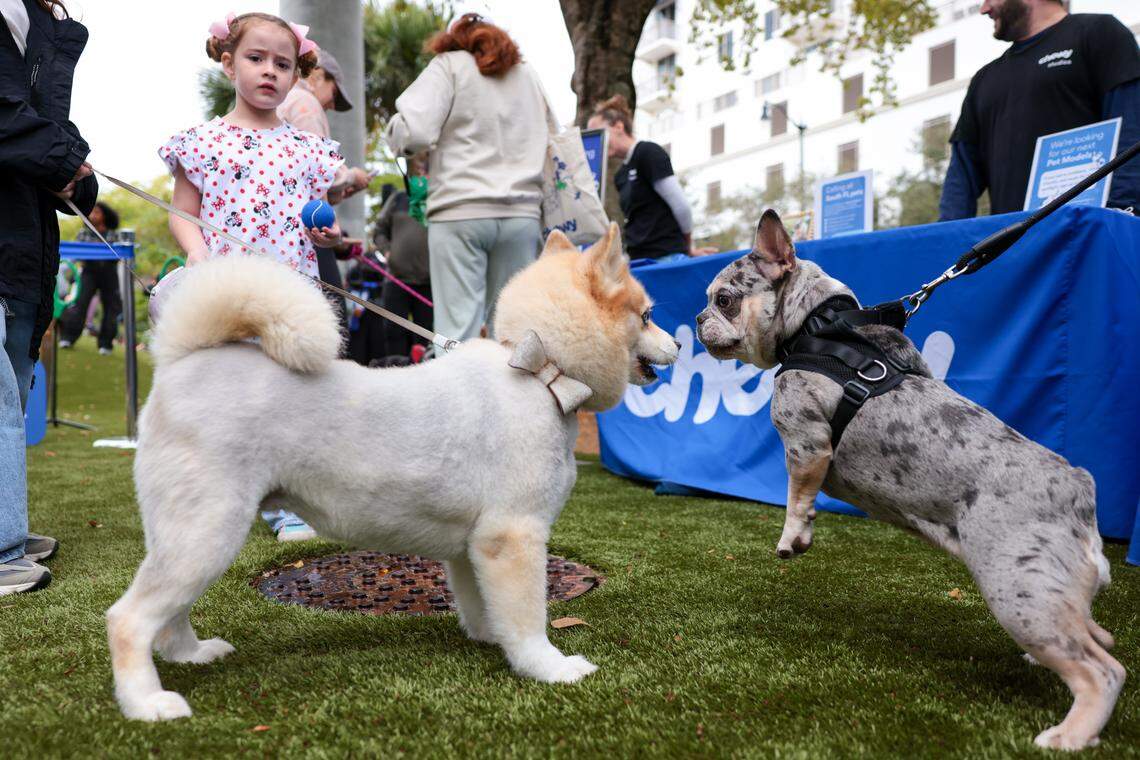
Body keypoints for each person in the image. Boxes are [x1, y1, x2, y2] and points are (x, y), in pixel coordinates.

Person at [160, 12, 347, 543]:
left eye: (283, 64)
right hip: (226, 293)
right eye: (256, 58)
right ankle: (215, 496)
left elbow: (319, 214)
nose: (269, 71)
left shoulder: (308, 149)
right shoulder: (201, 142)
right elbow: (182, 212)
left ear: (296, 76)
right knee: (224, 392)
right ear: (227, 63)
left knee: (292, 393)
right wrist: (196, 253)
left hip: (293, 294)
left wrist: (328, 234)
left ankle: (290, 501)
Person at [1, 0, 97, 594]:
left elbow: (39, 118)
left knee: (14, 376)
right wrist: (63, 159)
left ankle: (5, 521)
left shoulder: (35, 17)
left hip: (18, 234)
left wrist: (75, 172)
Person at [385, 13, 547, 342]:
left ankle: (461, 394)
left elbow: (415, 131)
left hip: (461, 211)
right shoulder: (528, 75)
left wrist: (395, 135)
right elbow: (551, 138)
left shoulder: (450, 65)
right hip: (521, 215)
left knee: (458, 332)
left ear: (457, 40)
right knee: (512, 333)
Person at [940, 0, 1140, 219]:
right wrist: (946, 243)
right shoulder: (983, 81)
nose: (984, 9)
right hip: (1011, 245)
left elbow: (1131, 129)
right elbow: (960, 179)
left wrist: (1120, 215)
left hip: (1084, 234)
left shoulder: (1099, 32)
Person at [587, 95, 715, 261]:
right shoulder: (620, 175)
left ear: (618, 126)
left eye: (600, 133)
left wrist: (688, 246)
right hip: (637, 260)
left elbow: (681, 205)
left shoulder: (648, 152)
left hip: (666, 256)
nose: (599, 142)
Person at [372, 152, 432, 360]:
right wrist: (387, 251)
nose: (422, 173)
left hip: (428, 283)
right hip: (396, 280)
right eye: (419, 169)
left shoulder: (439, 200)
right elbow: (379, 230)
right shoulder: (398, 198)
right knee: (393, 333)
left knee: (425, 338)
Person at [60, 201, 122, 355]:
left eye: (97, 212)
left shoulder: (114, 234)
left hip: (109, 273)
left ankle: (105, 344)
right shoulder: (83, 234)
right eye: (91, 212)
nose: (93, 215)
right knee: (80, 304)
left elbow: (120, 256)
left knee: (110, 307)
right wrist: (62, 269)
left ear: (105, 215)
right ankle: (68, 338)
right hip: (88, 273)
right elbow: (75, 255)